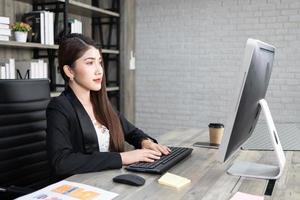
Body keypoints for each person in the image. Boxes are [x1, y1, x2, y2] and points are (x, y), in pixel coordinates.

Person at [46, 33, 170, 178]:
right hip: (81, 187)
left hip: (107, 180)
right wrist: (123, 158)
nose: (99, 70)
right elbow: (61, 162)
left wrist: (145, 142)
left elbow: (131, 132)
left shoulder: (100, 102)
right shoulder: (59, 107)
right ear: (69, 71)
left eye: (99, 62)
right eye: (90, 63)